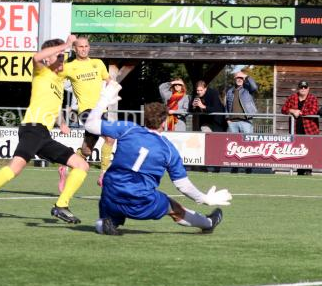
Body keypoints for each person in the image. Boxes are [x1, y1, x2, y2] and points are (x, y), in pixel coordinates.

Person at [0, 35, 90, 224]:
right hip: (32, 129)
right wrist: (66, 44)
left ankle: (61, 205)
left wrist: (61, 122)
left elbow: (52, 107)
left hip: (43, 135)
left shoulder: (58, 81)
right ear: (48, 59)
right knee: (14, 168)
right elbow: (36, 57)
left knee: (82, 165)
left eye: (63, 57)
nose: (62, 60)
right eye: (59, 56)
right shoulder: (42, 72)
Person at [83, 84, 232, 236]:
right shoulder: (168, 149)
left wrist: (104, 99)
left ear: (145, 118)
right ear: (164, 122)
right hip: (140, 201)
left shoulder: (128, 128)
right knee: (173, 207)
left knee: (111, 205)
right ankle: (208, 223)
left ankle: (104, 223)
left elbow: (89, 124)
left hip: (112, 194)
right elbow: (183, 186)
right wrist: (204, 199)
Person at [58, 36, 115, 191]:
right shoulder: (69, 67)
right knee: (110, 137)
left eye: (86, 46)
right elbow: (54, 80)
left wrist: (113, 87)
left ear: (89, 47)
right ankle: (104, 174)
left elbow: (109, 81)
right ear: (75, 49)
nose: (84, 49)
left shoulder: (98, 63)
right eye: (80, 46)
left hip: (101, 110)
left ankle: (65, 166)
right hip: (86, 111)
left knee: (86, 150)